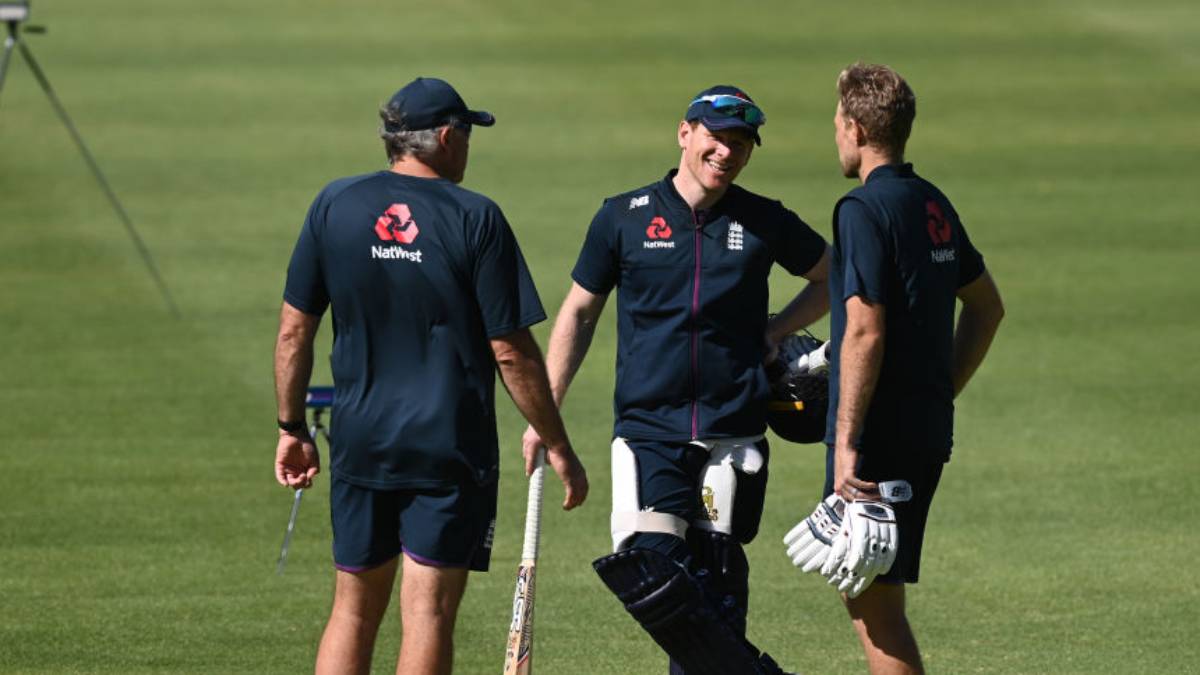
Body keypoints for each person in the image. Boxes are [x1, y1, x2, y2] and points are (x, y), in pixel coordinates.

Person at [272, 76, 588, 675]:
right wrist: (556, 439)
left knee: (353, 610)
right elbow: (512, 352)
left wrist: (291, 426)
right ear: (445, 137)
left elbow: (294, 331)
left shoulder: (334, 204)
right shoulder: (477, 217)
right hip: (449, 448)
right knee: (429, 615)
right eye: (466, 134)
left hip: (362, 440)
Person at [523, 85, 831, 674]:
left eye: (741, 145)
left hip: (734, 431)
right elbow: (578, 312)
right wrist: (547, 411)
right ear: (685, 133)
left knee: (717, 587)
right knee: (654, 572)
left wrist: (777, 329)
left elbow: (832, 275)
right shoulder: (622, 216)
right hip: (649, 431)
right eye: (718, 139)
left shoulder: (765, 219)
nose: (728, 153)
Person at [823, 63, 1005, 674]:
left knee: (876, 607)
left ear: (852, 126)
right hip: (921, 429)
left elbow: (865, 329)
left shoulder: (861, 210)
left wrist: (846, 442)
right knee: (870, 597)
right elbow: (986, 307)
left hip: (881, 439)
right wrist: (939, 392)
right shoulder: (931, 201)